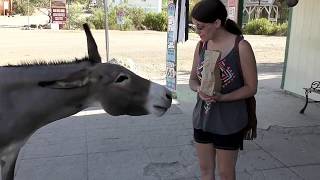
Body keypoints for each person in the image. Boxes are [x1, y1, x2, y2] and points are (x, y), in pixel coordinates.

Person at [189, 0, 257, 180]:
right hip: (202, 119)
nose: (198, 32)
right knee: (205, 171)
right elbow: (193, 80)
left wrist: (223, 98)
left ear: (217, 23)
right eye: (195, 26)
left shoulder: (241, 47)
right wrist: (198, 90)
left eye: (201, 27)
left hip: (229, 121)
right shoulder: (201, 46)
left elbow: (251, 88)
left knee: (226, 174)